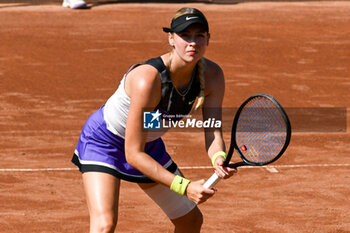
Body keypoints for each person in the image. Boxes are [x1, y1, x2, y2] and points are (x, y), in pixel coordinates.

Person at [71, 7, 236, 233]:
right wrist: (183, 186)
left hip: (146, 145)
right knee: (104, 225)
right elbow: (133, 154)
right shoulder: (147, 79)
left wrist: (218, 157)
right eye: (185, 35)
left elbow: (212, 130)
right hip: (104, 143)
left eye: (200, 35)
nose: (193, 42)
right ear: (171, 38)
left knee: (190, 221)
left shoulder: (213, 76)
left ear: (208, 39)